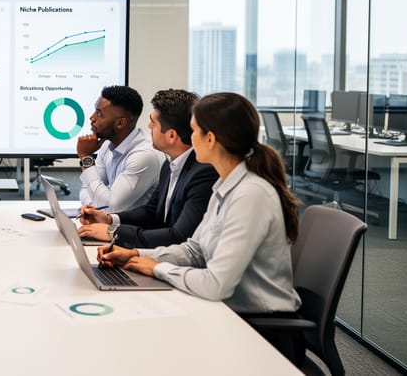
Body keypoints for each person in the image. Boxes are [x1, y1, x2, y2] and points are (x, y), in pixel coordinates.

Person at [97, 92, 303, 362]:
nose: (189, 139)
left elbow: (216, 283)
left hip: (260, 332)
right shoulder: (227, 185)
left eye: (193, 131)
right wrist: (137, 256)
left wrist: (157, 267)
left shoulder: (250, 195)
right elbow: (195, 250)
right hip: (228, 314)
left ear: (210, 139)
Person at [77, 89, 217, 248]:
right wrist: (109, 219)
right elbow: (151, 212)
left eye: (153, 122)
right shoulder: (170, 165)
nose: (148, 126)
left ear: (171, 136)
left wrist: (113, 231)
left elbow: (178, 236)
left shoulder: (202, 173)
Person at [77, 85, 163, 213]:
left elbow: (110, 207)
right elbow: (86, 188)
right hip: (110, 224)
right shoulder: (107, 144)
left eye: (99, 113)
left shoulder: (144, 155)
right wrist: (93, 208)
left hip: (135, 229)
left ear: (120, 123)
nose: (92, 117)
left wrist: (85, 156)